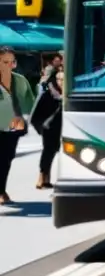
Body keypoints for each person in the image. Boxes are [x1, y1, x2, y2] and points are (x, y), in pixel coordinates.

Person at [0, 46, 36, 205]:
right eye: (4, 62)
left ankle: (1, 190)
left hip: (12, 129)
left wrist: (24, 119)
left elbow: (30, 103)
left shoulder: (21, 81)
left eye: (12, 62)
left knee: (6, 159)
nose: (9, 65)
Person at [31, 52, 63, 189]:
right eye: (59, 79)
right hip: (49, 125)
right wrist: (42, 128)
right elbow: (35, 115)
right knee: (49, 150)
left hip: (60, 125)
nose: (61, 81)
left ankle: (46, 178)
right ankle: (42, 177)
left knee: (53, 149)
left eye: (63, 79)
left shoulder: (66, 94)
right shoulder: (49, 92)